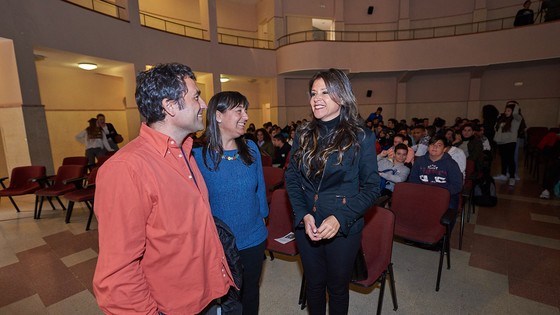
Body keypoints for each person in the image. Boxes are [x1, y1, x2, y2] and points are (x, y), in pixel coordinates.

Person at [93, 63, 235, 314]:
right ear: (170, 106)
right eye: (196, 97)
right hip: (172, 307)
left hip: (208, 294)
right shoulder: (127, 169)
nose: (203, 105)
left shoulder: (185, 152)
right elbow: (118, 274)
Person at [285, 68, 379, 315]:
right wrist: (302, 214)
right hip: (308, 224)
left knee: (337, 289)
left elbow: (371, 188)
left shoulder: (362, 136)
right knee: (314, 286)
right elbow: (292, 177)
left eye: (325, 92)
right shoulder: (303, 134)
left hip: (343, 225)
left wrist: (340, 218)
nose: (317, 98)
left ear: (342, 96)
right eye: (314, 92)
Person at [193, 91, 268, 315]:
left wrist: (263, 217)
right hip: (218, 244)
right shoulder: (197, 156)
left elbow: (260, 189)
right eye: (239, 110)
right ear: (217, 116)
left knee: (251, 293)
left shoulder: (251, 148)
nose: (245, 116)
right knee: (224, 299)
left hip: (254, 238)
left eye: (245, 110)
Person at [409, 135, 463, 215]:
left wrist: (438, 193)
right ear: (428, 147)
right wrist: (425, 192)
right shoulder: (420, 161)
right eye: (432, 144)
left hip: (444, 194)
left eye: (439, 145)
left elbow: (457, 186)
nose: (434, 147)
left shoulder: (451, 164)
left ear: (444, 149)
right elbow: (413, 179)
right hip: (423, 192)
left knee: (449, 211)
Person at [493, 101, 523, 186]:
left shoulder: (517, 119)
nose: (506, 112)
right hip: (501, 142)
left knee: (510, 159)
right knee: (503, 159)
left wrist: (515, 105)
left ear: (513, 111)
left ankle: (512, 177)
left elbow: (516, 113)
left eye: (509, 110)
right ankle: (503, 174)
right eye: (506, 110)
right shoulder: (503, 119)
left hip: (510, 142)